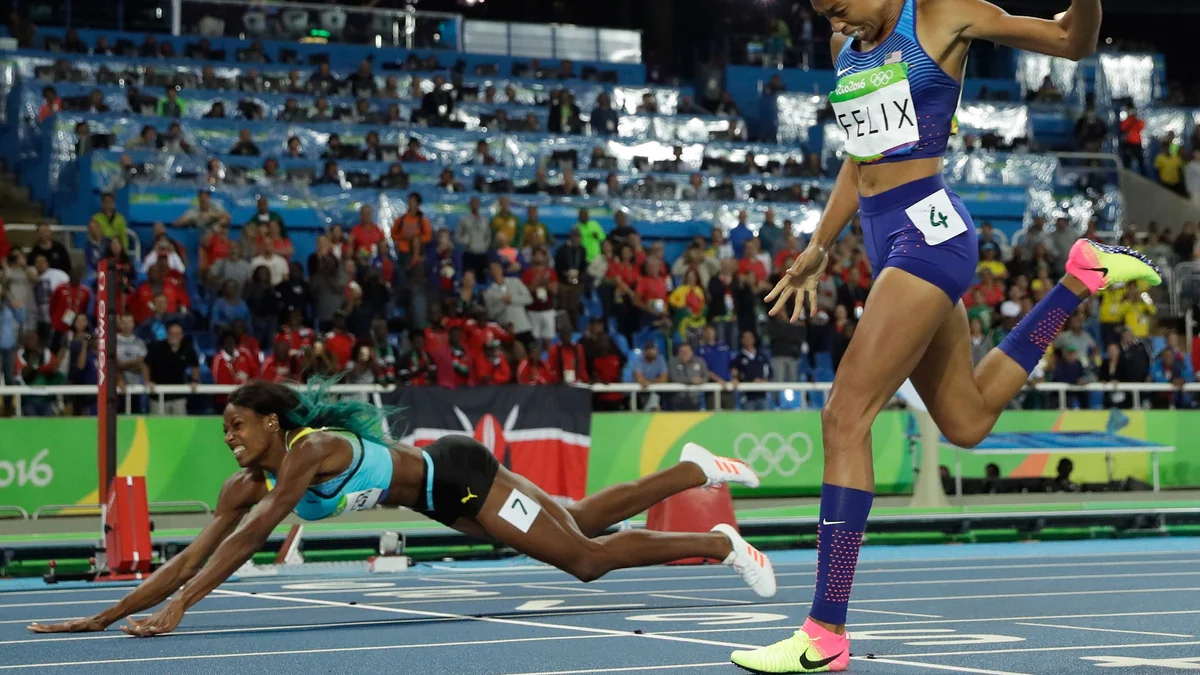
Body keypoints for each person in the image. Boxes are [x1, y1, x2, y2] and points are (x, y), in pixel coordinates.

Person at [733, 0, 1162, 671]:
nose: (834, 19)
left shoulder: (938, 14)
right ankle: (1080, 276)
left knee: (845, 415)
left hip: (928, 235)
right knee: (965, 420)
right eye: (823, 11)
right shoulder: (849, 47)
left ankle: (824, 633)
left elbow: (1071, 41)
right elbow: (858, 162)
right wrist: (821, 244)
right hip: (886, 242)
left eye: (838, 4)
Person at [29, 379, 776, 636]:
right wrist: (104, 614)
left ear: (272, 425)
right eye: (223, 428)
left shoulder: (309, 451)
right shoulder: (242, 485)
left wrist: (182, 611)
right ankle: (692, 467)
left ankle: (716, 541)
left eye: (237, 425)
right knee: (576, 518)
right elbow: (191, 554)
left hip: (457, 474)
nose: (227, 437)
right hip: (440, 497)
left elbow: (254, 538)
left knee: (582, 559)